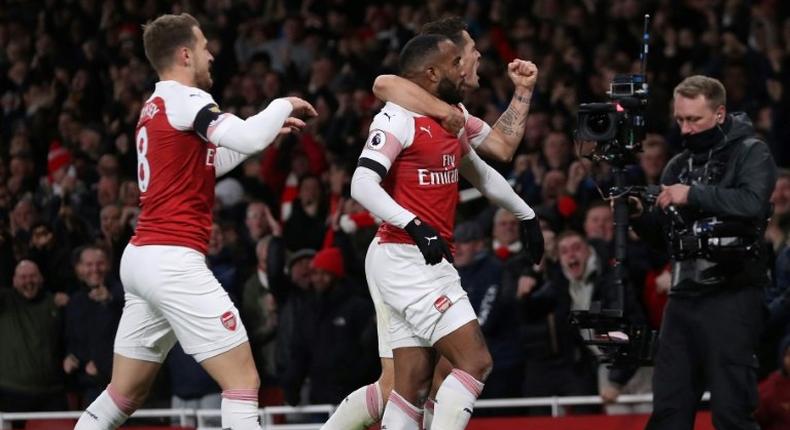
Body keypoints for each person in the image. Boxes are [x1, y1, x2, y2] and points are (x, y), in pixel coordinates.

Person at [74, 13, 316, 430]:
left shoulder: (155, 106)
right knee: (242, 379)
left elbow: (209, 162)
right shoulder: (188, 100)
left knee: (122, 394)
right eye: (204, 47)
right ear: (185, 54)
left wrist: (264, 134)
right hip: (171, 261)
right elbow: (248, 135)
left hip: (142, 259)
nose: (211, 55)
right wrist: (281, 105)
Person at [322, 16, 540, 430]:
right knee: (475, 362)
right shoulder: (398, 116)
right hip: (407, 255)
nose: (473, 62)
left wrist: (525, 213)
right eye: (466, 56)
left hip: (414, 256)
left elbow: (489, 161)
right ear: (437, 68)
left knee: (409, 386)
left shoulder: (453, 116)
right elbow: (361, 182)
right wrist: (415, 224)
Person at [633, 75, 777, 430]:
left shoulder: (751, 151)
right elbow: (664, 240)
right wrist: (638, 216)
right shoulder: (678, 165)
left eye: (695, 119)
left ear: (720, 113)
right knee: (668, 411)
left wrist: (692, 194)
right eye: (680, 119)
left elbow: (752, 203)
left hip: (732, 292)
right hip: (683, 299)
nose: (686, 129)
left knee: (731, 412)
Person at [0, 260, 66, 413]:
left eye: (32, 276)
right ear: (14, 281)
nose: (28, 281)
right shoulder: (4, 301)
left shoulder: (55, 302)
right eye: (23, 277)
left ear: (41, 278)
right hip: (10, 390)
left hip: (51, 391)